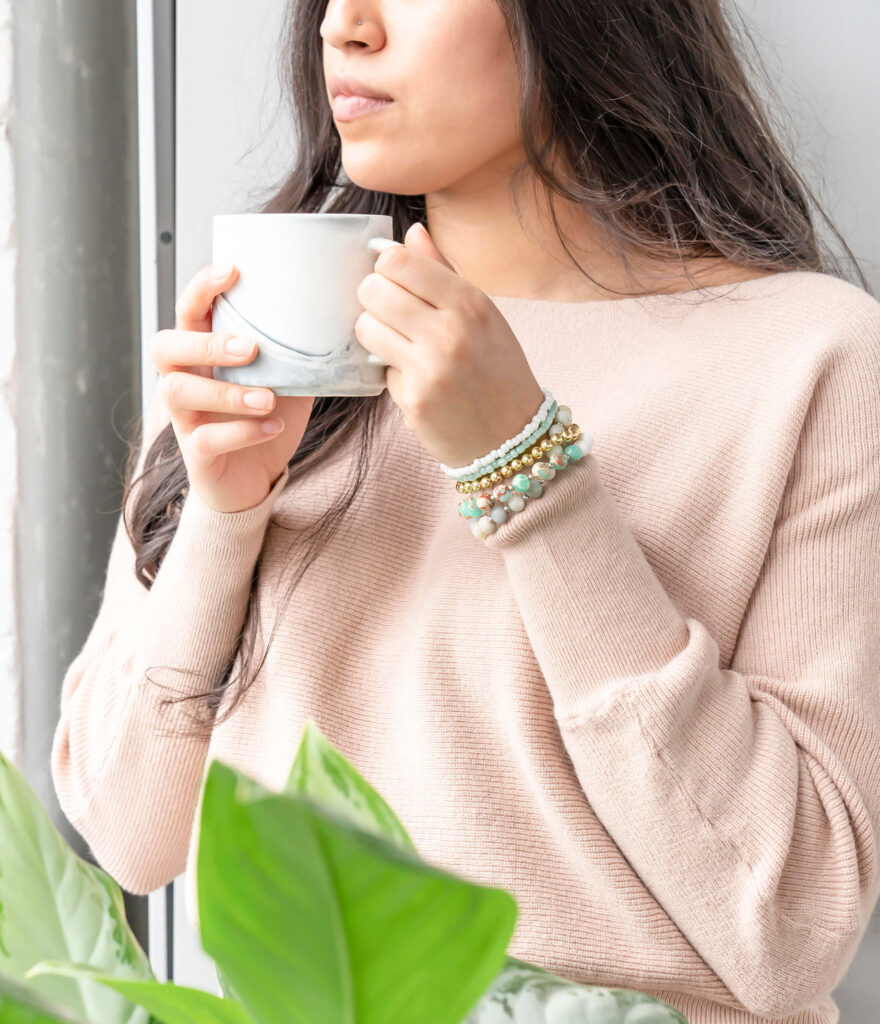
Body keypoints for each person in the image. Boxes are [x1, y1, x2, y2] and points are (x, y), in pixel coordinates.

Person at [51, 1, 880, 1021]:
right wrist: (224, 518)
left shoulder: (810, 359)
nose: (340, 28)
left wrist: (526, 469)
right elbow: (130, 832)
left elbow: (789, 931)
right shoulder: (267, 332)